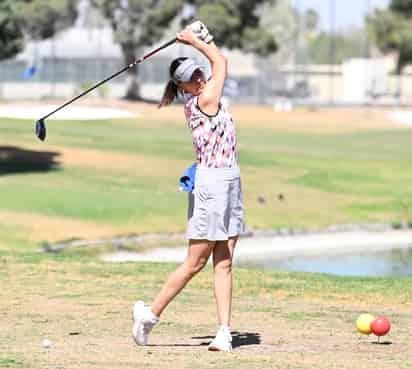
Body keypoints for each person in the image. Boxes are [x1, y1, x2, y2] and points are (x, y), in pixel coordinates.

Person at [132, 21, 244, 352]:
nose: (200, 78)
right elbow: (221, 63)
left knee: (224, 261)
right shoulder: (203, 100)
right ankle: (149, 316)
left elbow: (215, 63)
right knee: (195, 262)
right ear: (184, 87)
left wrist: (203, 39)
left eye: (199, 73)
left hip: (230, 181)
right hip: (212, 186)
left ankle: (224, 332)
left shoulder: (206, 94)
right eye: (192, 78)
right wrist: (195, 40)